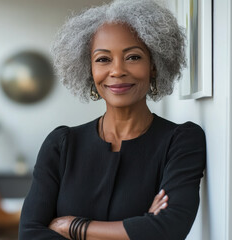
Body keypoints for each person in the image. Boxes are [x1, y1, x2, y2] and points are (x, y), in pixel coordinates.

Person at [19, 0, 206, 239]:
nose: (117, 70)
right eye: (103, 59)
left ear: (154, 66)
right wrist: (138, 228)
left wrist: (74, 228)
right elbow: (30, 234)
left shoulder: (181, 141)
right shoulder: (61, 144)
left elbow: (169, 229)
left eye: (133, 57)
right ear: (89, 69)